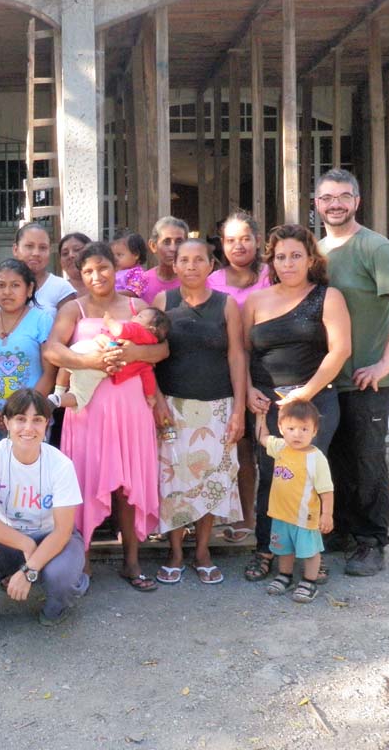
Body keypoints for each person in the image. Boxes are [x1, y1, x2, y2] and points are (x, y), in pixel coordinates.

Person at [315, 168, 389, 576]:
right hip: (328, 379)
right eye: (327, 197)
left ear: (357, 201)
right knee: (335, 459)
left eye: (344, 196)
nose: (336, 204)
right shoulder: (316, 252)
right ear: (317, 204)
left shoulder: (374, 247)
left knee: (367, 462)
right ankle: (342, 530)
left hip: (368, 380)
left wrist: (385, 363)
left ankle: (371, 542)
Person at [44, 241, 166, 591]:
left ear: (115, 268)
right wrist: (90, 361)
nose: (96, 276)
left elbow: (162, 348)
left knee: (129, 486)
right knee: (84, 484)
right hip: (87, 411)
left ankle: (132, 562)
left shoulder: (136, 306)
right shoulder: (74, 309)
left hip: (132, 409)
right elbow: (52, 349)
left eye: (103, 267)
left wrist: (132, 353)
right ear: (79, 275)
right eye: (88, 271)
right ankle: (81, 562)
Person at [243, 224, 351, 582]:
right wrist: (248, 389)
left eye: (295, 256)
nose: (287, 263)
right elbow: (241, 353)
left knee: (309, 478)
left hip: (313, 404)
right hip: (267, 404)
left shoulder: (328, 297)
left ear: (310, 260)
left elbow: (340, 350)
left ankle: (311, 557)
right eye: (280, 257)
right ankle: (265, 549)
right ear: (271, 261)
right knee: (271, 478)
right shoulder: (255, 301)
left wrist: (305, 393)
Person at [0, 389, 90, 642]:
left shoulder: (61, 464)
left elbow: (62, 531)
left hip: (51, 538)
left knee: (62, 576)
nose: (28, 428)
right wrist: (26, 544)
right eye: (20, 419)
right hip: (9, 538)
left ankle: (58, 605)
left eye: (37, 419)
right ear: (6, 423)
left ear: (47, 424)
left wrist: (29, 570)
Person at [152, 239, 245, 585]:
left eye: (198, 260)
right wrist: (157, 400)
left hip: (218, 408)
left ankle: (203, 551)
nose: (191, 266)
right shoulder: (163, 302)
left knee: (212, 480)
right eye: (184, 260)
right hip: (173, 407)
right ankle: (175, 552)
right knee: (174, 481)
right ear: (174, 266)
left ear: (211, 265)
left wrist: (239, 408)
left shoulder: (227, 304)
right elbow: (149, 355)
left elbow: (236, 355)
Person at [206, 212, 272, 544]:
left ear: (258, 240)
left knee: (271, 449)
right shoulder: (211, 281)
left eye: (245, 238)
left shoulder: (273, 275)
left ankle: (275, 519)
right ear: (221, 244)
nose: (238, 245)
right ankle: (244, 515)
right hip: (227, 373)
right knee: (240, 448)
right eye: (230, 240)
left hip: (270, 369)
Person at [254, 401, 334, 603]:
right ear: (281, 429)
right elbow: (262, 437)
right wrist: (261, 416)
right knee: (284, 548)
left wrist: (327, 515)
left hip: (305, 517)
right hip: (281, 514)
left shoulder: (316, 458)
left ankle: (309, 581)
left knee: (310, 551)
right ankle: (285, 576)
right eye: (291, 429)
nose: (297, 434)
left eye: (304, 429)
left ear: (314, 430)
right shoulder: (280, 447)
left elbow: (326, 490)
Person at [0, 258, 56, 446]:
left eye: (15, 285)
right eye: (1, 285)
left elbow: (50, 373)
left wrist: (21, 412)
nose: (7, 292)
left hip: (31, 418)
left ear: (29, 289)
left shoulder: (41, 320)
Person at [49, 309, 169, 413]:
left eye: (140, 316)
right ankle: (58, 400)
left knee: (66, 364)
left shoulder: (138, 329)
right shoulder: (146, 360)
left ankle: (58, 391)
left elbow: (119, 331)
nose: (134, 316)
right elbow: (148, 378)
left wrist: (109, 321)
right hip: (99, 362)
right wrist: (150, 396)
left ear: (151, 329)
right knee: (79, 394)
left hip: (90, 350)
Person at [0, 223, 77, 314]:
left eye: (43, 248)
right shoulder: (1, 283)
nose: (36, 253)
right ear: (15, 249)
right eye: (29, 246)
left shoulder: (61, 288)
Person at [140, 217, 188, 306]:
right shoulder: (141, 283)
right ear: (153, 246)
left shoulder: (194, 281)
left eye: (179, 242)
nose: (173, 249)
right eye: (166, 242)